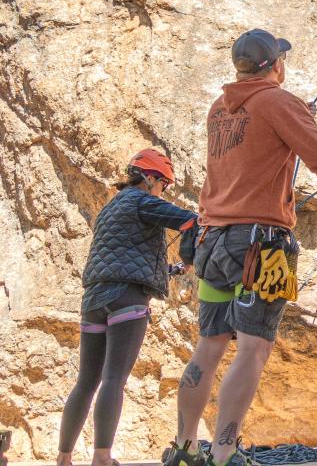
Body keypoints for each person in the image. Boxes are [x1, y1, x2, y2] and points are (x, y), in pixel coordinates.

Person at [164, 30, 317, 466]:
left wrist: (295, 117)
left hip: (211, 240)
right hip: (259, 246)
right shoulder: (278, 102)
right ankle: (225, 453)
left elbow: (255, 143)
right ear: (274, 65)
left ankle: (186, 446)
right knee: (253, 346)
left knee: (209, 346)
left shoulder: (219, 109)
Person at [58, 149, 197, 466]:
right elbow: (192, 221)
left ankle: (64, 457)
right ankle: (102, 457)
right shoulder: (142, 201)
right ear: (150, 179)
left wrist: (172, 270)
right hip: (127, 299)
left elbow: (124, 255)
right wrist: (190, 258)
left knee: (86, 382)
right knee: (113, 380)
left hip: (93, 300)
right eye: (164, 184)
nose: (164, 191)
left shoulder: (110, 209)